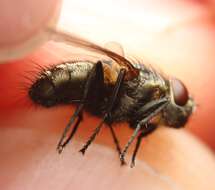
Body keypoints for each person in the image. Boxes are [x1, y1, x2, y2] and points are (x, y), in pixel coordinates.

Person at [0, 1, 215, 189]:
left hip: (95, 98)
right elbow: (119, 102)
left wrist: (127, 147)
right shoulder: (150, 89)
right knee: (105, 77)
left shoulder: (147, 112)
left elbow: (135, 123)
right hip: (70, 81)